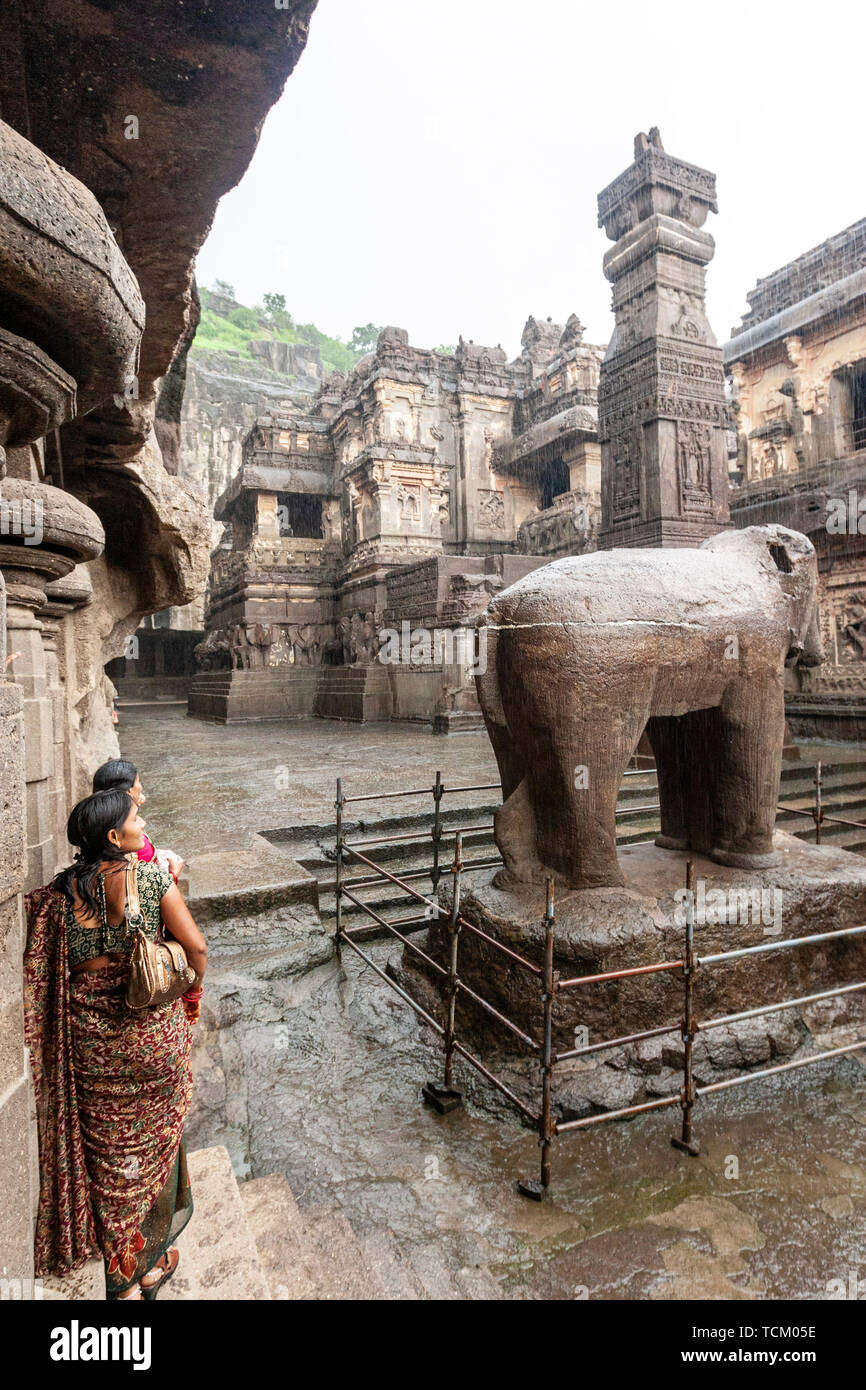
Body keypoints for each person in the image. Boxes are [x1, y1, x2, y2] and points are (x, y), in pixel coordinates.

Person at [23, 789, 207, 1300]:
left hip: (92, 1053)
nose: (142, 820)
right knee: (158, 1145)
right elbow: (195, 947)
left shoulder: (59, 899)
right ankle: (149, 1266)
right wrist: (191, 996)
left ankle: (122, 1281)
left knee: (109, 1163)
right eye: (134, 817)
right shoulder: (150, 879)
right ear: (113, 836)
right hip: (152, 1043)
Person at [92, 758, 185, 882]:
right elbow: (139, 891)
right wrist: (173, 876)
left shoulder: (99, 821)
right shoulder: (126, 846)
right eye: (138, 781)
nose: (143, 823)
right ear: (129, 790)